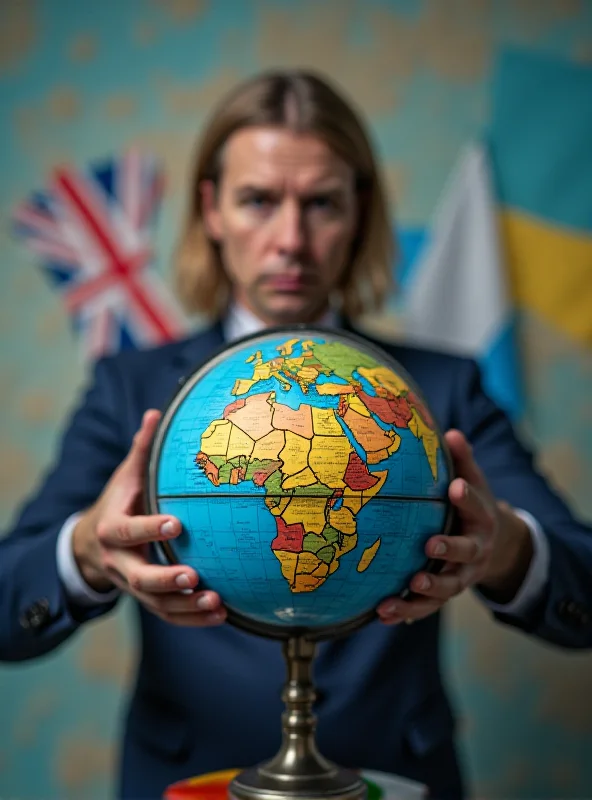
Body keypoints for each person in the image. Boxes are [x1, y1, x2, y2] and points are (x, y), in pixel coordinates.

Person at [2, 71, 591, 800]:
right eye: (258, 201)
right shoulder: (132, 390)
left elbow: (584, 593)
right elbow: (7, 611)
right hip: (186, 779)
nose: (291, 240)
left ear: (360, 214)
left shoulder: (438, 391)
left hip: (397, 778)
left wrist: (502, 545)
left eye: (321, 204)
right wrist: (87, 549)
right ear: (211, 210)